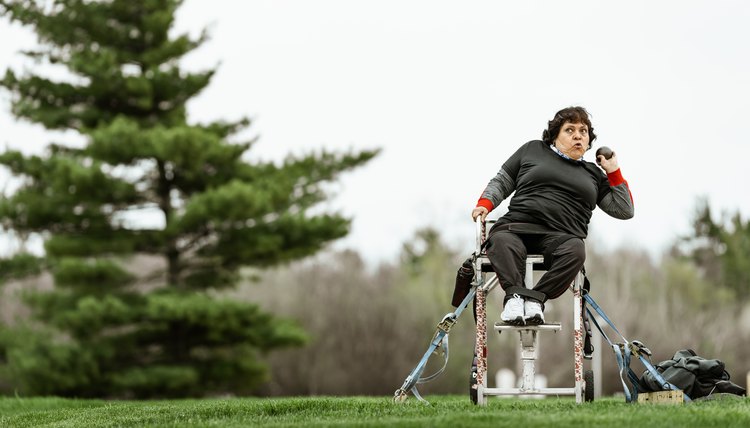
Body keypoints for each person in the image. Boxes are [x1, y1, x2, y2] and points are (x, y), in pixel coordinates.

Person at [471, 106, 634, 325]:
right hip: (517, 227)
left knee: (576, 250)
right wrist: (485, 204)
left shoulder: (593, 174)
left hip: (561, 237)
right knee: (500, 239)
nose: (577, 135)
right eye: (569, 130)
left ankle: (535, 300)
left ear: (588, 141)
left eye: (583, 131)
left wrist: (613, 171)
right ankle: (515, 298)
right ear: (554, 136)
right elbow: (502, 181)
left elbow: (624, 210)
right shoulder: (533, 150)